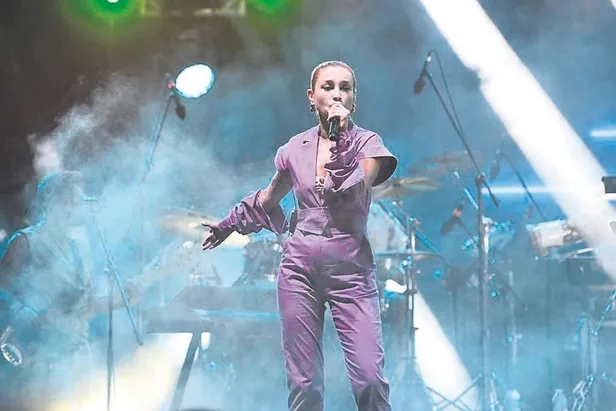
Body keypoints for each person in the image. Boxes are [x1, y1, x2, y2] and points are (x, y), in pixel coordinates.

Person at [202, 60, 398, 411]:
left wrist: (340, 139)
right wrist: (229, 223)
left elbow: (352, 189)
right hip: (298, 268)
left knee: (369, 379)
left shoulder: (368, 144)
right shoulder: (295, 148)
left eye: (345, 88)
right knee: (304, 385)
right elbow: (268, 199)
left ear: (354, 99)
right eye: (328, 87)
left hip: (351, 269)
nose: (336, 94)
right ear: (311, 96)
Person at [0, 170, 139, 410]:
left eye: (77, 199)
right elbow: (2, 291)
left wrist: (126, 294)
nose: (76, 205)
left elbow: (88, 303)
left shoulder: (80, 246)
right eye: (70, 199)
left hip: (74, 355)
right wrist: (30, 316)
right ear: (51, 202)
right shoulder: (25, 241)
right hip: (34, 357)